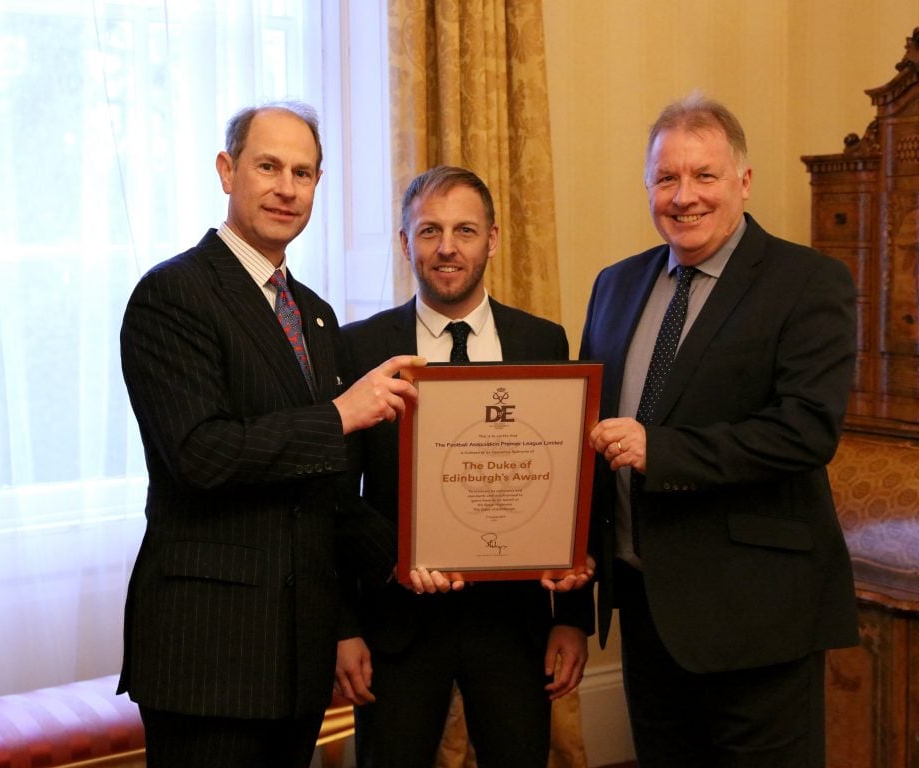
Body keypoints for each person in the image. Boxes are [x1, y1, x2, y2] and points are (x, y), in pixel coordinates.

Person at [118, 101, 424, 768]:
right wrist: (341, 414)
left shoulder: (312, 314)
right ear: (228, 171)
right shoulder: (172, 295)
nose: (287, 187)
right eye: (268, 166)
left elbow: (329, 492)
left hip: (298, 653)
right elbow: (201, 453)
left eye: (304, 172)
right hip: (209, 653)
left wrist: (419, 552)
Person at [581, 93, 859, 767]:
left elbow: (805, 430)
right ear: (649, 186)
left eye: (704, 175)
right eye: (666, 178)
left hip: (756, 615)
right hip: (648, 609)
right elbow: (589, 427)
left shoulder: (809, 281)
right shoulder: (616, 285)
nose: (685, 196)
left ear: (744, 181)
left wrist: (661, 449)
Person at [337, 165, 594, 768]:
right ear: (405, 243)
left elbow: (575, 485)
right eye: (429, 231)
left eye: (464, 230)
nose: (446, 247)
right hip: (396, 627)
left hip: (513, 626)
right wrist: (343, 628)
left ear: (493, 240)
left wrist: (573, 620)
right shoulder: (359, 349)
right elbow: (338, 501)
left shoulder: (543, 342)